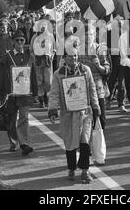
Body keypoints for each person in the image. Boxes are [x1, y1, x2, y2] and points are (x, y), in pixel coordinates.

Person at [48, 48, 100, 183]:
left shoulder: (85, 70)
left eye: (76, 56)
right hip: (68, 114)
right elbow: (54, 93)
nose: (74, 59)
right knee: (70, 142)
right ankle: (71, 169)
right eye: (71, 57)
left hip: (84, 113)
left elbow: (92, 89)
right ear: (65, 58)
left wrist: (96, 107)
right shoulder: (58, 74)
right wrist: (53, 110)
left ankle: (84, 171)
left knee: (85, 142)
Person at [2, 30, 38, 156]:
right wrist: (0, 93)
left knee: (24, 117)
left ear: (24, 42)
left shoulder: (29, 56)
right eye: (17, 40)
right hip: (11, 93)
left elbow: (33, 74)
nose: (19, 43)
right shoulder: (7, 57)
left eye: (22, 40)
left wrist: (35, 92)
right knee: (11, 119)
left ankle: (24, 144)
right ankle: (13, 141)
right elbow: (1, 76)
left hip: (25, 92)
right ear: (13, 42)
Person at [30, 21, 56, 108]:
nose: (43, 28)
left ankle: (46, 96)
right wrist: (34, 58)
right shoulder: (35, 36)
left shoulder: (50, 36)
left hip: (47, 61)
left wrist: (51, 56)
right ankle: (41, 99)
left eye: (44, 26)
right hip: (38, 61)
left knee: (48, 81)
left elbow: (54, 48)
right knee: (39, 81)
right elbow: (31, 49)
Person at [0, 19, 14, 101]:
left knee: (9, 80)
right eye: (0, 28)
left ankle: (10, 98)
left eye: (4, 28)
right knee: (0, 80)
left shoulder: (11, 37)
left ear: (7, 28)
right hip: (0, 61)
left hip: (10, 61)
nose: (2, 29)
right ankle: (0, 99)